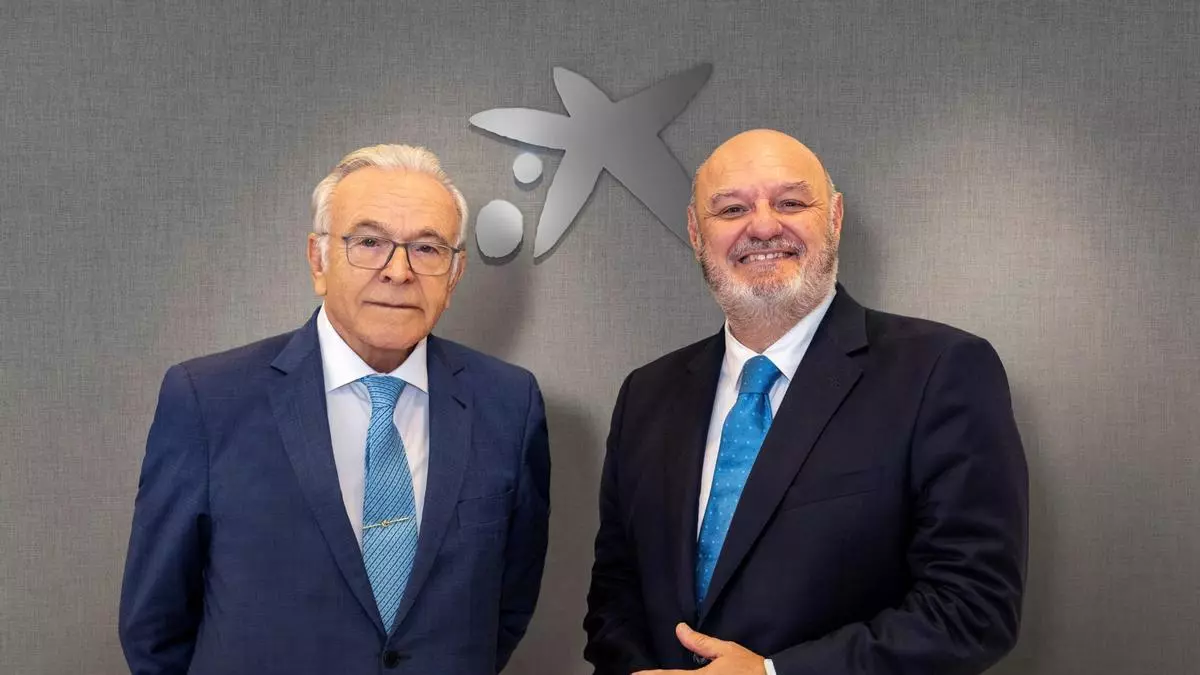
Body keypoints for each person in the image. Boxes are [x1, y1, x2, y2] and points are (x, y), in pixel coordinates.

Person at [584, 129, 1027, 675]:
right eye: (732, 209)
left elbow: (972, 607)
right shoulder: (647, 395)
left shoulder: (940, 371)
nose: (763, 226)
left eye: (791, 203)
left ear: (834, 218)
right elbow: (615, 591)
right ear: (697, 232)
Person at [119, 144, 550, 675]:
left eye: (427, 249)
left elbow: (507, 605)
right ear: (318, 259)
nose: (399, 271)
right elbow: (154, 628)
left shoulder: (509, 404)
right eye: (369, 242)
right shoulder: (208, 400)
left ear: (455, 274)